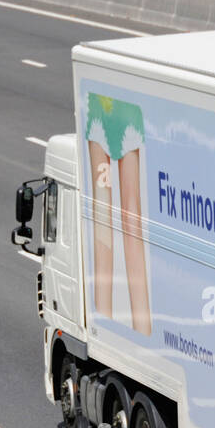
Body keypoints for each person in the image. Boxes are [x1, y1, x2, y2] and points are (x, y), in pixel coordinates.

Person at [86, 93, 151, 335]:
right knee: (132, 214)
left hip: (101, 109)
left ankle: (102, 322)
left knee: (102, 209)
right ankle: (143, 326)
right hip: (126, 111)